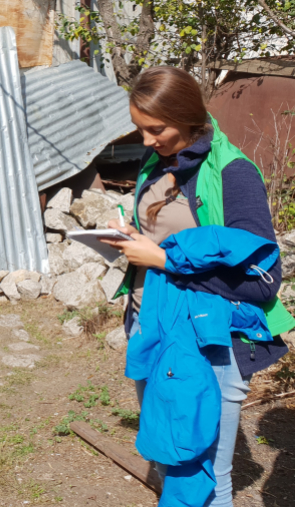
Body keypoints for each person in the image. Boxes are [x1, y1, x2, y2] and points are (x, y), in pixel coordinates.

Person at [101, 67, 290, 506]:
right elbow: (168, 234)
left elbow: (263, 281)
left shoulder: (233, 173)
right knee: (174, 460)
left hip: (209, 344)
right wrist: (131, 236)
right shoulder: (160, 161)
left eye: (156, 129)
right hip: (156, 330)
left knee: (208, 477)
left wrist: (164, 259)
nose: (146, 140)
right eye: (140, 129)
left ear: (188, 116)